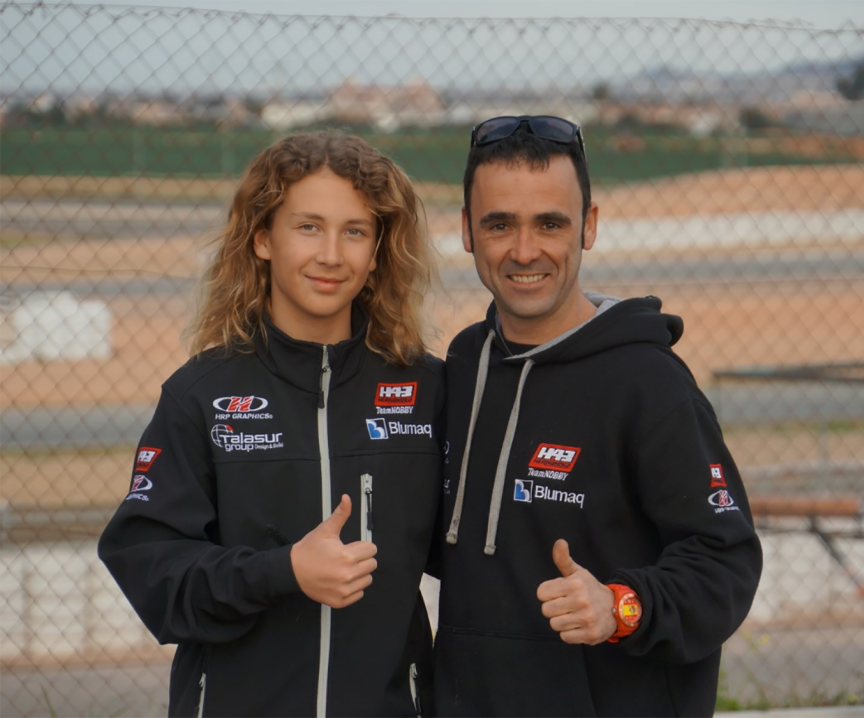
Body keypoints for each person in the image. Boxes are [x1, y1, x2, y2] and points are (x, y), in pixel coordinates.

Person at [98, 131, 444, 718]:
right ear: (262, 238)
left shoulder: (427, 390)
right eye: (308, 227)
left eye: (354, 231)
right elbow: (151, 571)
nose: (331, 254)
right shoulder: (200, 395)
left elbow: (479, 557)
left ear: (378, 250)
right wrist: (281, 572)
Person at [434, 115, 763, 718]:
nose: (524, 251)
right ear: (465, 230)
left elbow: (726, 563)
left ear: (588, 226)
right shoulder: (461, 365)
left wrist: (620, 607)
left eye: (550, 223)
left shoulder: (649, 384)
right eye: (499, 224)